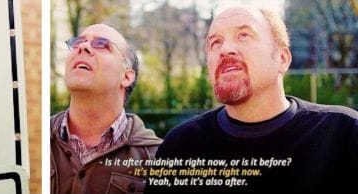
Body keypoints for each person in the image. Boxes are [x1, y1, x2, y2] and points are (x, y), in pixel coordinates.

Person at [155, 6, 358, 192]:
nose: (225, 49)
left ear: (282, 58)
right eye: (215, 43)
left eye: (244, 35)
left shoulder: (344, 134)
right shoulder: (181, 148)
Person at [50, 23, 162, 194]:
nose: (83, 47)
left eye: (102, 44)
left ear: (126, 76)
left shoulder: (157, 158)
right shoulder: (38, 140)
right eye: (78, 42)